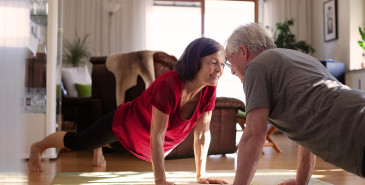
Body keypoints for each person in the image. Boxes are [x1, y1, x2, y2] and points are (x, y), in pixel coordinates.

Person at [28, 37, 229, 185]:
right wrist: (160, 180)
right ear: (195, 60)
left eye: (222, 64)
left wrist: (200, 175)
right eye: (213, 62)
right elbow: (156, 134)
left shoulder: (209, 90)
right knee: (80, 141)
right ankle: (38, 147)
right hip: (123, 126)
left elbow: (202, 134)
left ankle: (101, 145)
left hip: (144, 146)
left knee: (103, 143)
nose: (219, 69)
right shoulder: (169, 84)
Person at [224, 23, 365, 185]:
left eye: (229, 61)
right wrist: (300, 182)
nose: (231, 70)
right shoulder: (303, 59)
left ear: (243, 51)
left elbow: (253, 136)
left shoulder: (255, 67)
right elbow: (306, 133)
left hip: (356, 128)